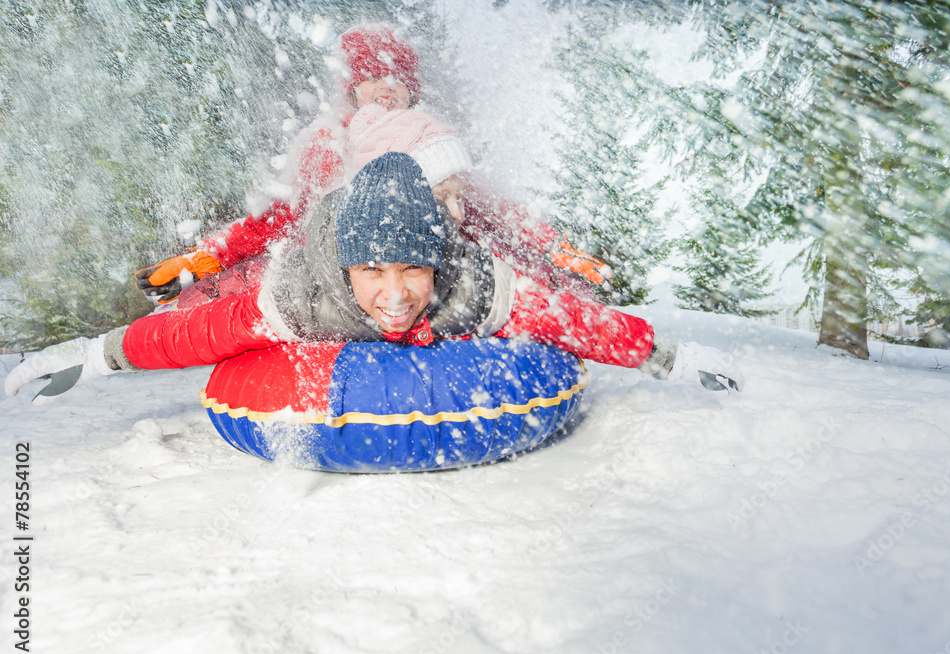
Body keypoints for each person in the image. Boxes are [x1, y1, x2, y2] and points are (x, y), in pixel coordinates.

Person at [6, 153, 744, 407]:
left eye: (412, 270)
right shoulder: (303, 296)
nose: (395, 295)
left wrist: (671, 359)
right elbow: (200, 330)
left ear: (437, 263)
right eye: (373, 273)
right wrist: (96, 357)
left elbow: (569, 320)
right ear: (347, 269)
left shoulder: (473, 286)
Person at [136, 23, 610, 307]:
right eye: (372, 79)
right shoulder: (329, 142)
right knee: (261, 287)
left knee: (494, 276)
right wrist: (205, 258)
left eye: (398, 81)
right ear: (352, 90)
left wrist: (554, 248)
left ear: (412, 92)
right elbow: (279, 215)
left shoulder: (428, 137)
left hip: (415, 268)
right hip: (338, 266)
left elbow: (487, 207)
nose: (386, 88)